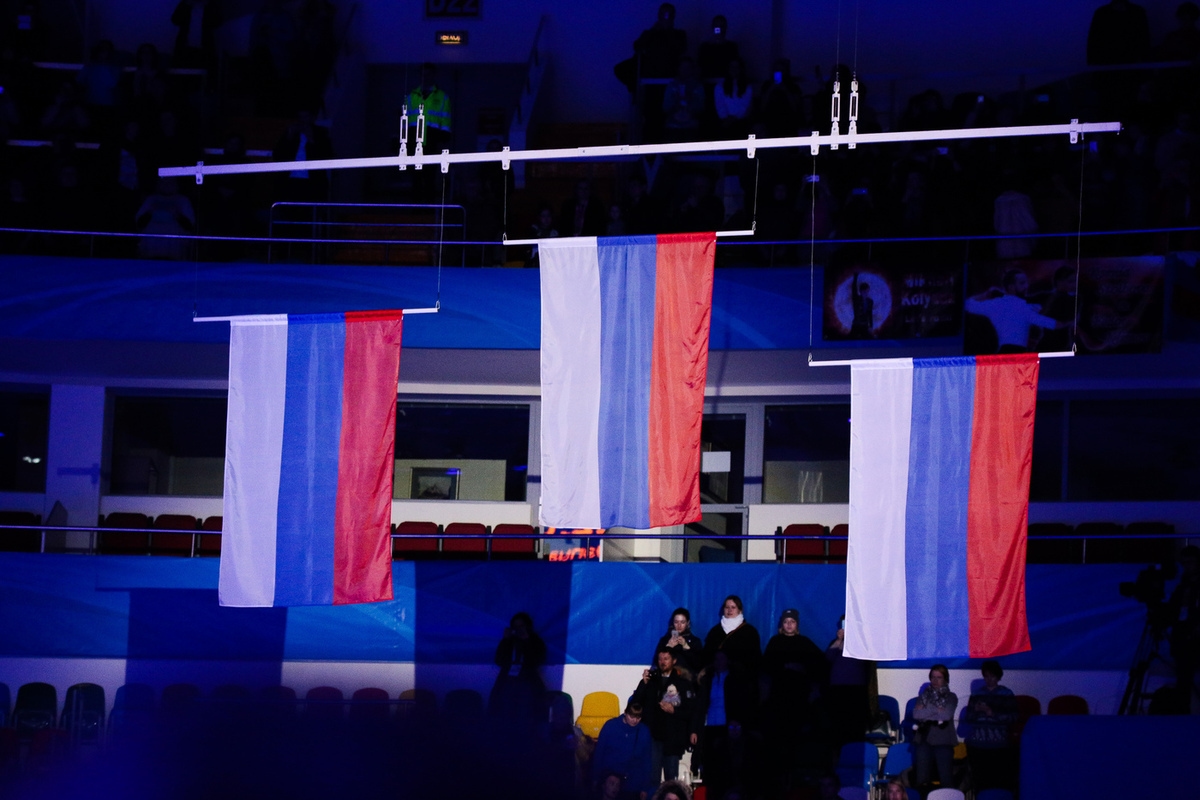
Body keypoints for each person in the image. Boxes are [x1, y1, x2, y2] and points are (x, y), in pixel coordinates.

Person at [763, 609, 828, 794]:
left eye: (792, 621)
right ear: (781, 625)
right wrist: (784, 667)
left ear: (797, 624)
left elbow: (821, 664)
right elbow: (766, 666)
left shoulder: (804, 643)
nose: (789, 625)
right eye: (786, 622)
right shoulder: (775, 643)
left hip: (799, 704)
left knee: (798, 746)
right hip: (778, 703)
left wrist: (802, 669)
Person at [633, 647, 699, 784]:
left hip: (673, 737)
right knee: (652, 779)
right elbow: (635, 704)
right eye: (660, 659)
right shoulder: (651, 681)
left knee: (671, 782)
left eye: (666, 659)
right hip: (653, 736)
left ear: (674, 661)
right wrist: (643, 684)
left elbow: (691, 710)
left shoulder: (683, 683)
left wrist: (674, 711)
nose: (662, 662)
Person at [965, 268, 1070, 353]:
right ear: (1011, 287)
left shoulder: (996, 304)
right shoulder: (1024, 308)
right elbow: (1053, 324)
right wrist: (1072, 322)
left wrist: (985, 295)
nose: (1026, 286)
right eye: (1022, 283)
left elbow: (968, 304)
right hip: (1016, 354)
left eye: (1026, 283)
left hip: (1005, 353)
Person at [962, 660, 1018, 792]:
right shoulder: (976, 694)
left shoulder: (1006, 694)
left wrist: (991, 713)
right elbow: (968, 719)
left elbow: (1013, 717)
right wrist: (976, 711)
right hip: (977, 743)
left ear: (998, 677)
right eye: (986, 676)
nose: (989, 679)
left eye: (992, 676)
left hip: (998, 743)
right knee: (980, 780)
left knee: (997, 780)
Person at [488, 611, 546, 723]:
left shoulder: (536, 641)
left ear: (528, 626)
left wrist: (527, 641)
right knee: (505, 711)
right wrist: (505, 640)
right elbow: (499, 660)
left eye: (521, 626)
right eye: (516, 627)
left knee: (526, 712)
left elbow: (537, 661)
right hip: (507, 680)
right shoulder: (509, 641)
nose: (519, 629)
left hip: (527, 680)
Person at [592, 702, 655, 800]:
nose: (635, 721)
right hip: (609, 779)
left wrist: (645, 787)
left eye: (638, 718)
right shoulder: (610, 726)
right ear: (625, 713)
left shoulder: (644, 731)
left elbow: (646, 760)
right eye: (632, 717)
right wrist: (595, 777)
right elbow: (599, 753)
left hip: (632, 782)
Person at [911, 664, 958, 792]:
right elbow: (916, 714)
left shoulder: (951, 697)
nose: (935, 680)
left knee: (946, 779)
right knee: (921, 780)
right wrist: (935, 710)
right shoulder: (923, 696)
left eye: (939, 677)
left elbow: (946, 715)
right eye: (933, 677)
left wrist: (926, 710)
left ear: (945, 679)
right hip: (923, 740)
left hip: (943, 741)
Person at [1167, 545, 1200, 713]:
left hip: (1193, 635)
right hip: (1182, 635)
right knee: (1183, 678)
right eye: (1184, 563)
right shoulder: (1183, 585)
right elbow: (1174, 610)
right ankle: (1182, 712)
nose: (1186, 566)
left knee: (1186, 677)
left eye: (1190, 562)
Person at [703, 595, 762, 677]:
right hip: (717, 677)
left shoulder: (750, 632)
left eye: (733, 607)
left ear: (740, 610)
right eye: (727, 607)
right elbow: (707, 655)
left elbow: (755, 659)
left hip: (741, 678)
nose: (730, 610)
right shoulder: (715, 631)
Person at [653, 607, 704, 679]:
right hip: (667, 680)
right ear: (672, 623)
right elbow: (657, 663)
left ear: (688, 623)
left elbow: (698, 664)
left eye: (682, 622)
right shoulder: (665, 640)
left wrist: (686, 647)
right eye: (676, 622)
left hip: (687, 680)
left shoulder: (695, 641)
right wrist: (668, 647)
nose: (679, 625)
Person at [849, 273, 874, 338]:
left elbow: (870, 314)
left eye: (867, 291)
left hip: (865, 325)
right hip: (856, 324)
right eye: (864, 291)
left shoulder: (870, 301)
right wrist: (855, 277)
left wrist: (871, 326)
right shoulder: (856, 299)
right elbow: (853, 289)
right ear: (860, 291)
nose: (866, 293)